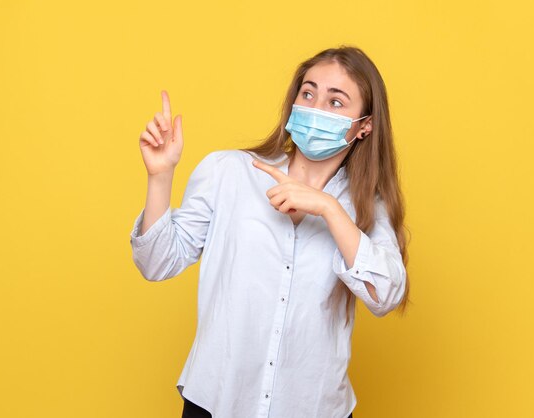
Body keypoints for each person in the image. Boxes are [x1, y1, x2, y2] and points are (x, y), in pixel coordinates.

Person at [130, 45, 410, 418]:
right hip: (218, 401)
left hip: (313, 408)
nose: (314, 108)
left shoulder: (365, 209)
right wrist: (160, 176)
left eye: (336, 102)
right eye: (307, 93)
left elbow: (386, 294)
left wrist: (327, 208)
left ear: (365, 125)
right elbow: (156, 263)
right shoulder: (230, 172)